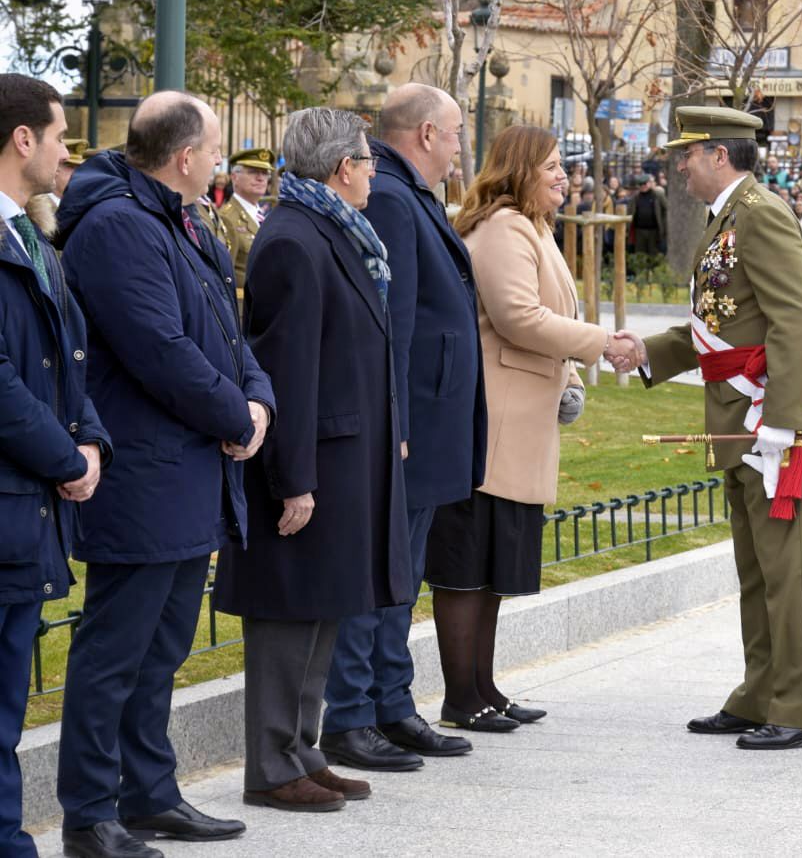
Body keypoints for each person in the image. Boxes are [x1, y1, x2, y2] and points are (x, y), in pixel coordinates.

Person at [56, 92, 274, 858]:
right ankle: (89, 812)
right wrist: (235, 416)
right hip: (147, 475)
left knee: (162, 650)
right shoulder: (119, 226)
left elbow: (227, 330)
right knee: (115, 652)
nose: (221, 160)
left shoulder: (179, 218)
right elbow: (159, 348)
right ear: (185, 157)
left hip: (188, 474)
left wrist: (259, 399)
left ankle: (149, 795)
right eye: (215, 148)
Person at [609, 106, 802, 751]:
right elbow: (722, 327)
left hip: (772, 420)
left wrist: (785, 423)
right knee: (758, 570)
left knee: (790, 571)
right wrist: (648, 350)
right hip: (742, 417)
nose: (678, 165)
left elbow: (798, 319)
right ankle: (760, 693)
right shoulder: (729, 218)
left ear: (718, 154)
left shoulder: (760, 214)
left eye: (686, 153)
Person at [214, 108, 408, 813]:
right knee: (289, 609)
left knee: (322, 604)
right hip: (309, 461)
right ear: (340, 168)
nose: (373, 170)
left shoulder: (332, 230)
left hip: (343, 454)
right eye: (367, 159)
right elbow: (286, 371)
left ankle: (302, 748)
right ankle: (271, 764)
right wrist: (293, 478)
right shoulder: (294, 239)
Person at [428, 126, 630, 731]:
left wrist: (570, 374)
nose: (563, 176)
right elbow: (518, 317)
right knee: (468, 567)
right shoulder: (503, 227)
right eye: (550, 166)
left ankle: (484, 687)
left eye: (563, 166)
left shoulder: (535, 226)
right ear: (518, 169)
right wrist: (602, 344)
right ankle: (461, 697)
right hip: (495, 420)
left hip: (523, 419)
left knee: (494, 566)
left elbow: (549, 314)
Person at [320, 83, 487, 771]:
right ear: (423, 133)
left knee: (403, 570)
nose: (457, 148)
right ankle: (354, 713)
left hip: (427, 415)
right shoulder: (389, 194)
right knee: (381, 570)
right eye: (452, 135)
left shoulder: (404, 191)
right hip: (410, 420)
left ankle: (392, 702)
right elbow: (392, 323)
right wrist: (398, 421)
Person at [0, 76, 111, 858]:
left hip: (28, 504)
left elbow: (71, 353)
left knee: (8, 694)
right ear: (22, 139)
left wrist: (91, 438)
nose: (69, 149)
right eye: (60, 133)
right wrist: (66, 453)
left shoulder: (31, 234)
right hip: (16, 492)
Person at [218, 147, 274, 281]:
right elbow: (225, 277)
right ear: (234, 177)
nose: (260, 178)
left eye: (265, 173)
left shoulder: (263, 215)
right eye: (253, 172)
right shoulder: (227, 218)